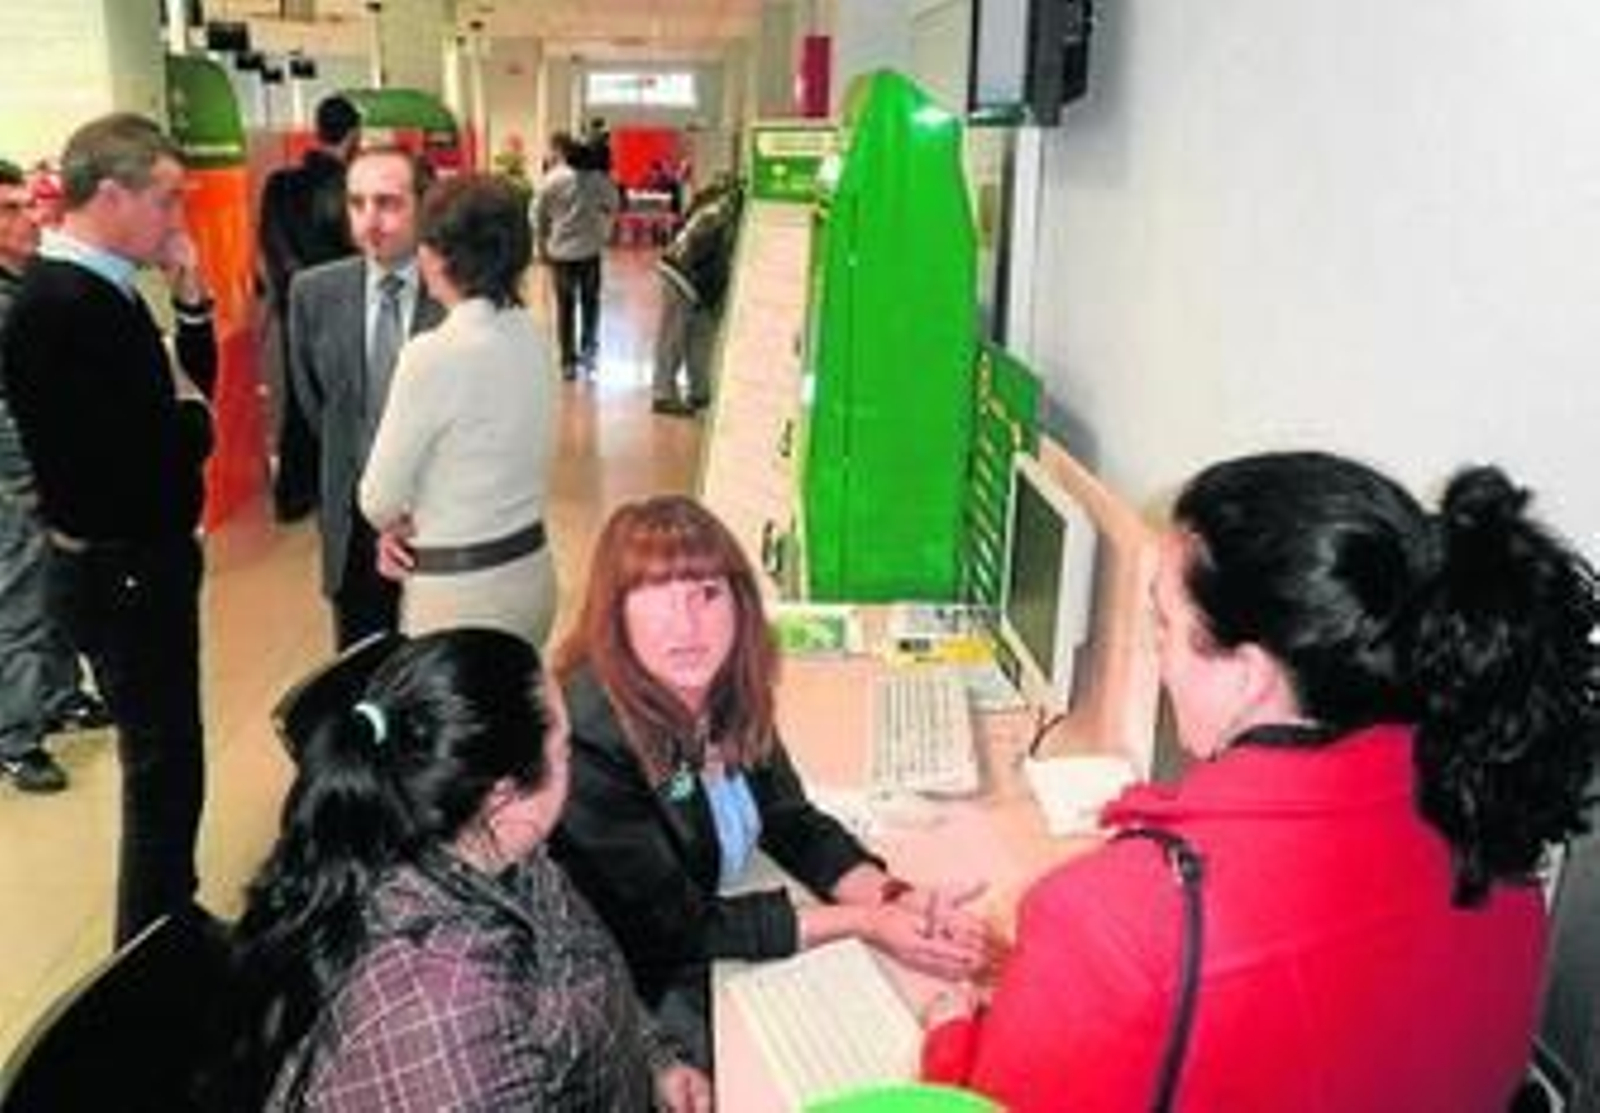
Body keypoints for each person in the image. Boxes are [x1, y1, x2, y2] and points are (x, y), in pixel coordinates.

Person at [920, 451, 1600, 1112]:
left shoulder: (1114, 922)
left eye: (1164, 626)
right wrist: (1057, 991)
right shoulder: (1493, 819)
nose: (1157, 660)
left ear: (1248, 672)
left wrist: (952, 1041)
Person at [550, 495, 994, 1068]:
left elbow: (792, 822)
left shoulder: (723, 691)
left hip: (704, 941)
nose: (686, 623)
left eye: (706, 594)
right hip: (632, 992)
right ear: (615, 615)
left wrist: (898, 898)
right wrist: (865, 923)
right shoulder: (589, 743)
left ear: (740, 603)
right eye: (656, 597)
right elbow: (680, 929)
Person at [213, 627, 712, 1112]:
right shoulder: (444, 1013)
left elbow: (586, 961)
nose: (573, 756)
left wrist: (655, 1062)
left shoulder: (490, 845)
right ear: (503, 795)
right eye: (563, 749)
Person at [1, 114, 217, 943]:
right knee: (160, 768)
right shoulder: (63, 306)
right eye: (167, 201)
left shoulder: (112, 291)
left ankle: (174, 912)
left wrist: (191, 302)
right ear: (115, 193)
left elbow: (192, 400)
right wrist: (187, 429)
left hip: (144, 560)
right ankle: (150, 943)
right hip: (119, 570)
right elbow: (154, 454)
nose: (178, 221)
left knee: (176, 756)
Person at [360, 173, 559, 648]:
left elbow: (378, 498)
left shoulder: (433, 354)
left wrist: (398, 521)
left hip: (459, 597)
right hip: (531, 578)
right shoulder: (533, 337)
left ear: (436, 254)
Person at [289, 146, 445, 650]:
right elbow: (316, 404)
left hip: (437, 519)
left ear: (425, 206)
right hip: (353, 521)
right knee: (362, 667)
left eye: (388, 203)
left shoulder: (458, 297)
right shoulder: (314, 293)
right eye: (357, 203)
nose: (369, 221)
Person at [0, 156, 108, 794]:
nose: (28, 220)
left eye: (27, 205)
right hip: (16, 482)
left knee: (58, 593)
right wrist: (35, 472)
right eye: (8, 211)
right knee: (19, 606)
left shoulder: (34, 284)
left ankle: (61, 696)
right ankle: (15, 735)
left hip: (54, 473)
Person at [257, 94, 361, 523]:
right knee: (348, 401)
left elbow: (269, 243)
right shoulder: (351, 187)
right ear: (353, 135)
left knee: (300, 403)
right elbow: (360, 248)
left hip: (294, 305)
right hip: (344, 305)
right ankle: (341, 496)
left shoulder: (279, 184)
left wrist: (287, 290)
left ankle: (294, 495)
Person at [651, 180, 743, 417]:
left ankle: (699, 391)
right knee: (674, 337)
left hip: (690, 275)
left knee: (699, 335)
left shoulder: (716, 207)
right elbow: (715, 258)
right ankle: (663, 395)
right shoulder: (727, 217)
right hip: (682, 274)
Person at [533, 130, 619, 380]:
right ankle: (589, 352)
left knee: (565, 307)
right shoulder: (599, 180)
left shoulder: (552, 180)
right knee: (591, 304)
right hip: (590, 251)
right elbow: (613, 205)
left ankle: (567, 363)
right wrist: (602, 225)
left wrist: (541, 243)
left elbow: (537, 216)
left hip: (560, 254)